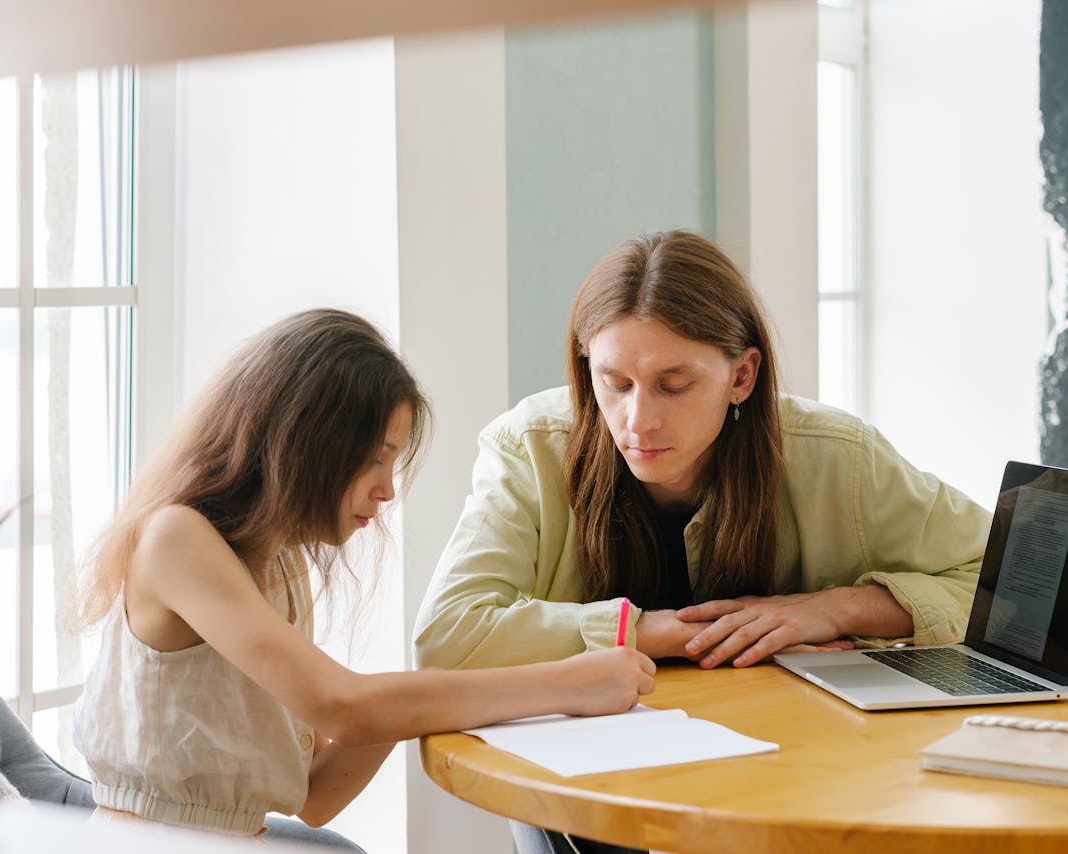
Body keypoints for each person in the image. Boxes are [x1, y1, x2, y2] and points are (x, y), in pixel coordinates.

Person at [411, 231, 992, 854]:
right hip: (591, 799)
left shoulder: (839, 457)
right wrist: (646, 631)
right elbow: (446, 636)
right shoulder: (527, 447)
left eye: (673, 384)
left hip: (798, 783)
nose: (637, 420)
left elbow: (1005, 585)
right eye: (614, 382)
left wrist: (837, 607)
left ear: (741, 375)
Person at [70, 309, 655, 844]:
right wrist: (565, 684)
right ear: (304, 441)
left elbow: (319, 794)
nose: (387, 488)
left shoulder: (278, 563)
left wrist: (420, 694)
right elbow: (344, 708)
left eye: (393, 462)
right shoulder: (177, 539)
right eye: (374, 458)